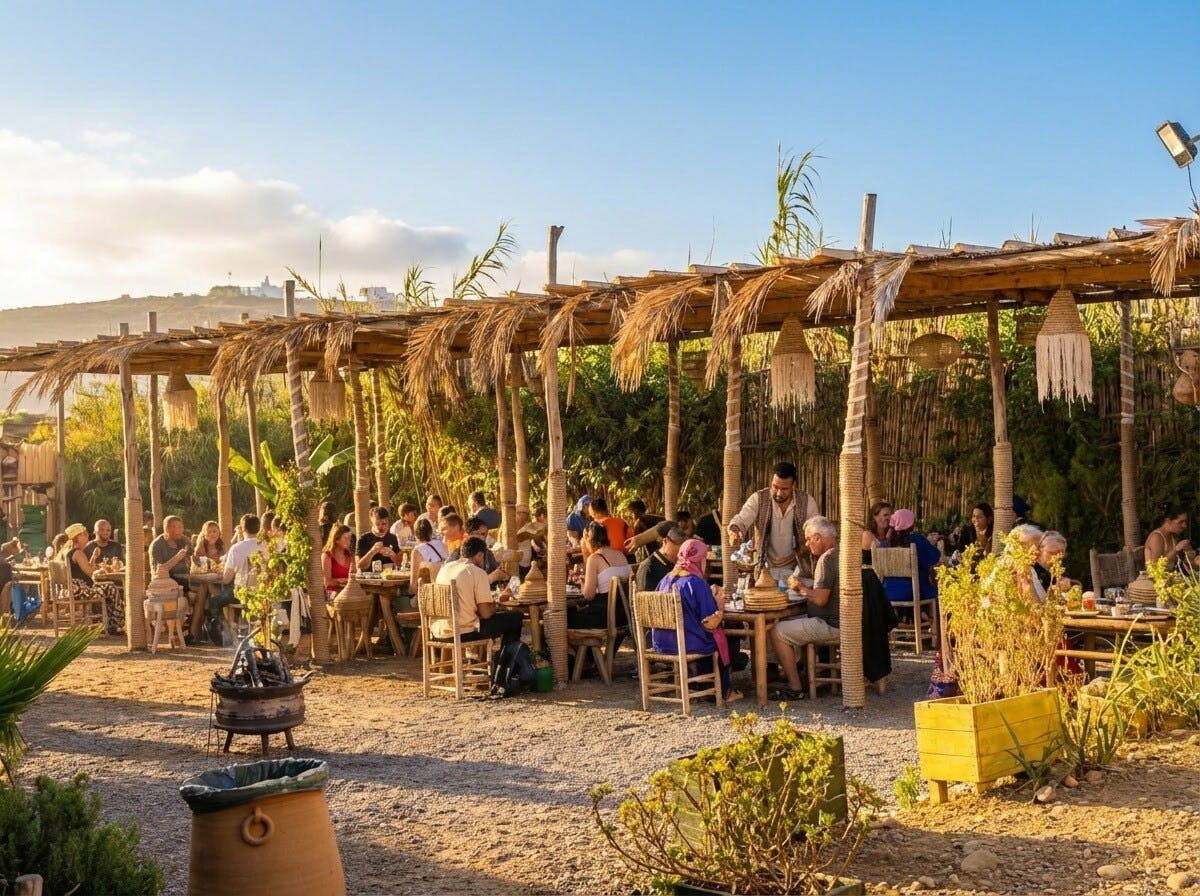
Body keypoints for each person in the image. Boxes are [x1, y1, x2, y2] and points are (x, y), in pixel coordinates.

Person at [652, 538, 742, 703]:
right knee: (724, 638)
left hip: (662, 642)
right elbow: (709, 623)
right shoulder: (696, 583)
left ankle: (699, 685)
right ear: (700, 559)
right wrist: (720, 606)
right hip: (687, 644)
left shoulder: (665, 579)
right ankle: (722, 691)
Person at [769, 517, 841, 700]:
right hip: (846, 621)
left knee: (777, 631)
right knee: (791, 622)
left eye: (809, 539)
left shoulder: (827, 560)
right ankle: (802, 671)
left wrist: (798, 586)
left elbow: (820, 599)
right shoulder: (841, 553)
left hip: (832, 625)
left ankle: (795, 686)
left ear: (818, 537)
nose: (808, 544)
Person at [727, 461, 820, 582]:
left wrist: (804, 548)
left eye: (784, 489)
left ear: (793, 486)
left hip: (799, 571)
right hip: (765, 570)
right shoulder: (759, 499)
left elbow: (816, 531)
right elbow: (741, 520)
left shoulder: (807, 502)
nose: (779, 493)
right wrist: (734, 531)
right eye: (775, 487)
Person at [431, 536, 523, 645]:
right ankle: (506, 660)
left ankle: (486, 657)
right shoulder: (476, 572)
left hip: (439, 630)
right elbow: (485, 614)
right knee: (515, 617)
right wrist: (499, 602)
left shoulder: (446, 568)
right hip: (463, 632)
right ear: (480, 555)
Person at [61, 522, 124, 634]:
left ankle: (106, 623)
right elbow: (90, 573)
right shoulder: (78, 553)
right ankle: (114, 623)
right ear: (77, 537)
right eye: (84, 534)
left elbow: (87, 568)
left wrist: (94, 557)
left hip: (76, 588)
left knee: (108, 587)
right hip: (81, 590)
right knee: (111, 588)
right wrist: (101, 570)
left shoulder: (72, 552)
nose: (87, 536)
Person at [569, 522, 631, 629]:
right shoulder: (620, 554)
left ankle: (587, 645)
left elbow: (588, 595)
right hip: (624, 615)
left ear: (589, 539)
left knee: (566, 616)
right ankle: (590, 646)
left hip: (606, 617)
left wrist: (582, 582)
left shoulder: (594, 558)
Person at [879, 509, 941, 609]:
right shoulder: (916, 540)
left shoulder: (886, 543)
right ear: (910, 524)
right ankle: (926, 617)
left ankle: (910, 617)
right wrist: (930, 543)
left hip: (888, 592)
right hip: (914, 591)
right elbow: (934, 557)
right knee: (936, 588)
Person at [450, 516, 509, 585]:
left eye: (484, 534)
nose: (482, 537)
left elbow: (496, 576)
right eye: (478, 534)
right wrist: (491, 577)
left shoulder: (488, 553)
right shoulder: (457, 554)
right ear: (467, 535)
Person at [149, 516, 192, 596]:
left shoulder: (184, 540)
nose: (179, 530)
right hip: (166, 582)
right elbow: (159, 572)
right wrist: (177, 558)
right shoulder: (157, 545)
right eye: (175, 527)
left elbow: (194, 556)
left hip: (186, 578)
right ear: (166, 528)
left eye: (180, 527)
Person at [635, 525, 685, 593]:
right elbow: (644, 600)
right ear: (665, 542)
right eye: (679, 545)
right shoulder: (648, 568)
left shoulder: (680, 564)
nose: (683, 550)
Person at [1145, 503, 1195, 572]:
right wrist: (1176, 549)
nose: (1185, 526)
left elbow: (1184, 563)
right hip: (1154, 579)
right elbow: (1155, 567)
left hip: (1169, 576)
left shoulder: (1173, 536)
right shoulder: (1156, 537)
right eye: (1181, 522)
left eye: (1185, 522)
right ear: (1168, 521)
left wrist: (1190, 553)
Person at [1033, 530, 1077, 599]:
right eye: (1052, 553)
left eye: (1061, 555)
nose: (1057, 558)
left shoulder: (1056, 569)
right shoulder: (1031, 571)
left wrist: (1070, 584)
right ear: (1039, 550)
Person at [410, 518, 448, 592]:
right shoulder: (441, 544)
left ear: (415, 534)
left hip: (428, 593)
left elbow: (413, 583)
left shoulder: (417, 550)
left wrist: (409, 593)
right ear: (431, 531)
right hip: (445, 588)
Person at [357, 506, 401, 571]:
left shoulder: (393, 538)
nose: (381, 527)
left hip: (389, 577)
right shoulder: (364, 539)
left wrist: (392, 555)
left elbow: (400, 564)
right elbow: (360, 566)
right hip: (370, 579)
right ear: (371, 523)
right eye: (377, 524)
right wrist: (372, 552)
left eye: (384, 524)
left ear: (388, 522)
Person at [322, 524, 355, 598]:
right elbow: (327, 582)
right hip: (332, 592)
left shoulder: (350, 556)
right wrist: (342, 580)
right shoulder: (327, 556)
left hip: (348, 591)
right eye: (345, 538)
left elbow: (354, 577)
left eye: (350, 538)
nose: (349, 541)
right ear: (337, 539)